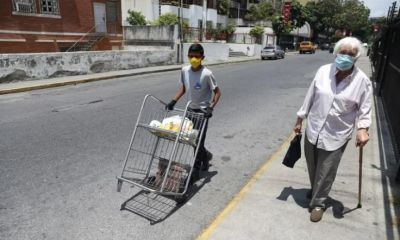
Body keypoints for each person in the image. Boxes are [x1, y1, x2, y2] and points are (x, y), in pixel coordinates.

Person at [294, 37, 372, 222]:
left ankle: (318, 203)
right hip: (314, 128)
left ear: (357, 56)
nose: (345, 56)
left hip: (337, 133)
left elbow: (365, 108)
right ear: (336, 53)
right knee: (312, 166)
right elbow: (310, 97)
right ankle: (315, 190)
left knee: (326, 171)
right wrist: (300, 120)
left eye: (350, 54)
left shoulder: (362, 81)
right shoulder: (323, 71)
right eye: (342, 52)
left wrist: (363, 129)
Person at [166, 43, 221, 182]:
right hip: (189, 110)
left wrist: (211, 107)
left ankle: (195, 171)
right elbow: (184, 88)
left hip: (202, 112)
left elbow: (218, 93)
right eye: (191, 56)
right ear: (188, 56)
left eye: (197, 56)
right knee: (191, 140)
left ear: (202, 57)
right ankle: (206, 156)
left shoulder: (207, 74)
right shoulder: (185, 70)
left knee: (198, 141)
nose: (194, 59)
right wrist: (174, 101)